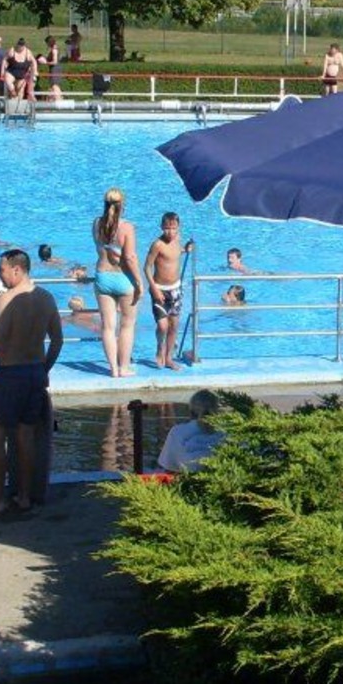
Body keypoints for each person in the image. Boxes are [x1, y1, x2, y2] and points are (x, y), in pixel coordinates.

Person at [0, 248, 63, 515]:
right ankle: (24, 496)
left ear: (17, 270)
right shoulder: (47, 297)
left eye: (2, 270)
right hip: (35, 373)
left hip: (9, 375)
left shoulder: (7, 299)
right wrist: (44, 369)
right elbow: (57, 341)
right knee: (25, 437)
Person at [91, 188, 142, 378]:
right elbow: (129, 258)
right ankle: (123, 367)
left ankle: (113, 369)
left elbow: (100, 248)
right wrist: (139, 282)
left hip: (103, 276)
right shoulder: (127, 227)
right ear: (123, 205)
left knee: (108, 327)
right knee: (127, 325)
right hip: (124, 278)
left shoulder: (96, 224)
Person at [144, 212, 190, 370]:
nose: (170, 232)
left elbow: (175, 252)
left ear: (178, 228)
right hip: (160, 290)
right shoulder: (157, 244)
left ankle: (169, 358)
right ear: (161, 227)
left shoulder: (177, 240)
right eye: (167, 228)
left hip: (175, 289)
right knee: (163, 326)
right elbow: (147, 267)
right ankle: (159, 348)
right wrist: (154, 288)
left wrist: (186, 249)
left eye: (173, 228)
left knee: (174, 325)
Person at [156, 390, 224, 472]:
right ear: (218, 412)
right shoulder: (227, 432)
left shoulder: (177, 432)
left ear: (191, 412)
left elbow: (168, 467)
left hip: (186, 479)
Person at [41, 35, 63, 100]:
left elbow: (55, 61)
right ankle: (58, 99)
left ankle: (59, 100)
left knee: (55, 86)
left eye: (47, 43)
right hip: (54, 68)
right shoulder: (54, 49)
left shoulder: (54, 50)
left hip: (55, 69)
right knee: (54, 86)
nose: (47, 45)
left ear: (49, 42)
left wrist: (45, 62)